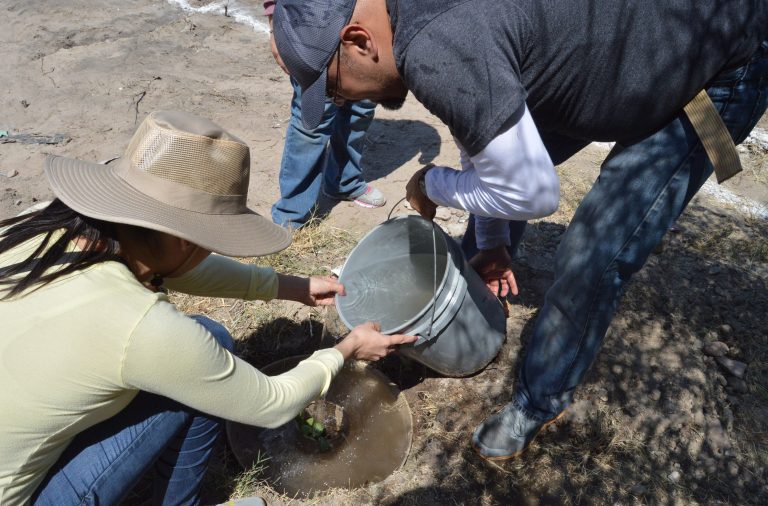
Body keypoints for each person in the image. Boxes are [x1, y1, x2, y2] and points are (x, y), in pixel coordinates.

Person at [271, 0, 768, 461]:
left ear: (360, 41)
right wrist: (490, 242)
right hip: (622, 64)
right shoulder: (422, 31)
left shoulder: (436, 48)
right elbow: (480, 144)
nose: (339, 100)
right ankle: (470, 296)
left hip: (720, 71)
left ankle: (540, 400)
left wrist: (429, 183)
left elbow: (533, 194)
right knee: (500, 181)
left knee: (592, 254)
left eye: (334, 87)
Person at [0, 110, 416, 504]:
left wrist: (291, 287)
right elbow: (274, 404)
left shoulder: (45, 228)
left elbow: (175, 267)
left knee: (210, 338)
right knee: (199, 386)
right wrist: (345, 351)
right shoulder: (142, 327)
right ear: (184, 238)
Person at [262, 1, 385, 230]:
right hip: (315, 20)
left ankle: (344, 181)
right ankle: (293, 215)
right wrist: (274, 23)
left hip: (370, 25)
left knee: (361, 108)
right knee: (313, 118)